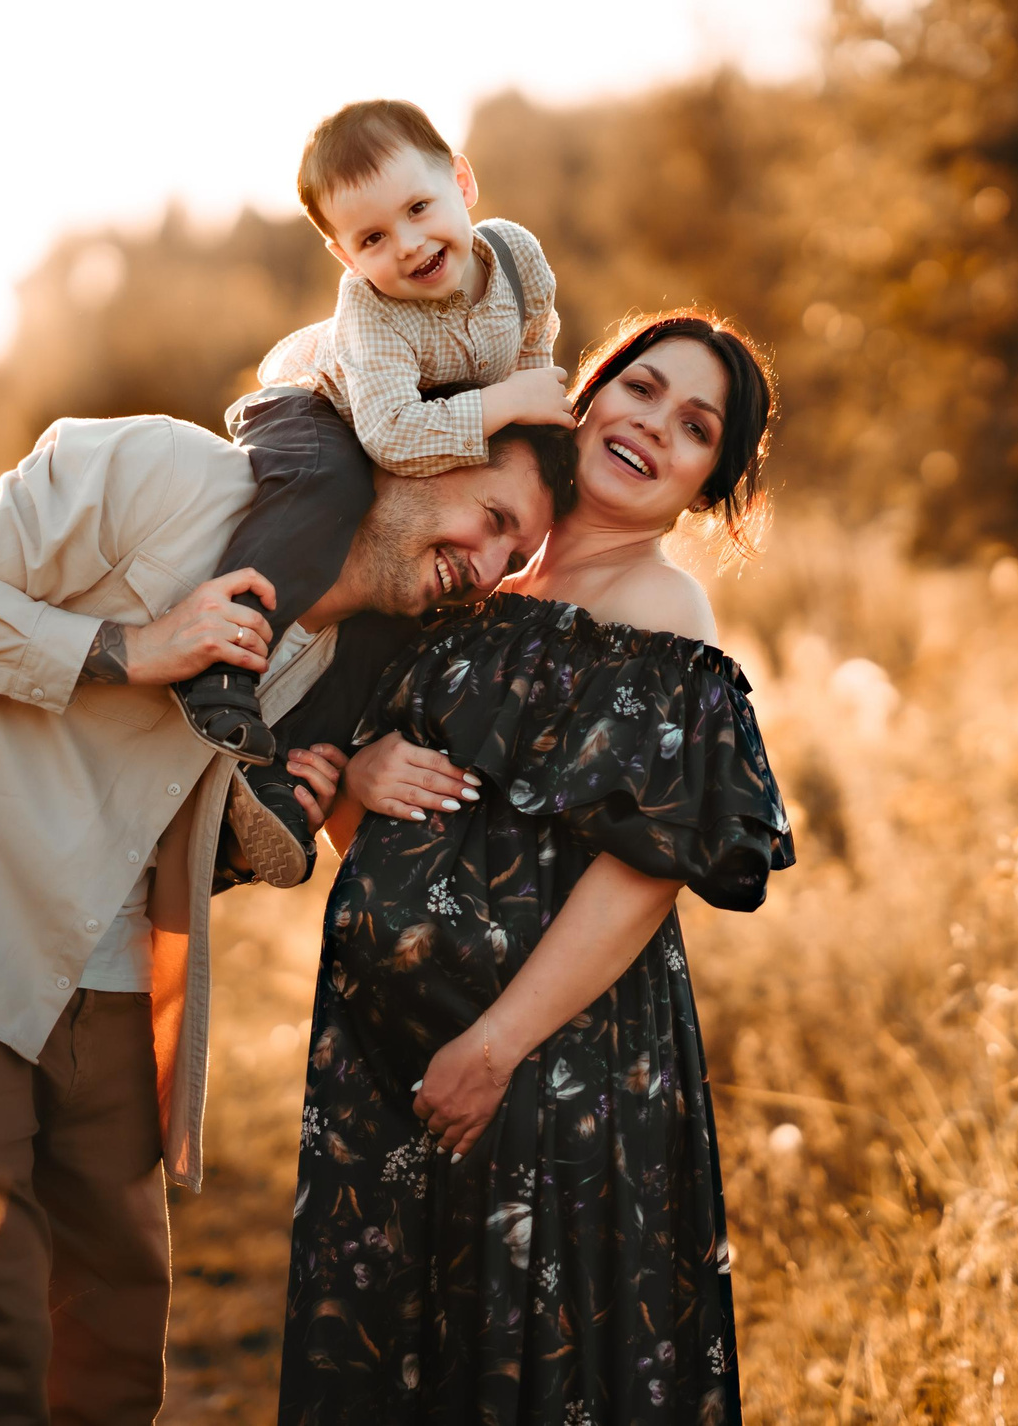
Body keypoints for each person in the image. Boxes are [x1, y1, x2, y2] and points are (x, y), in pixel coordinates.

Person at [0, 409, 572, 1426]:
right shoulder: (158, 471)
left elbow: (187, 821)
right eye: (493, 516)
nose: (492, 562)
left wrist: (281, 812)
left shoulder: (357, 667)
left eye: (518, 552)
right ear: (422, 456)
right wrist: (128, 646)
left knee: (109, 1361)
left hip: (111, 975)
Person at [280, 313, 792, 1425]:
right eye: (641, 390)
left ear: (708, 483)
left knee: (527, 1366)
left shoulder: (661, 614)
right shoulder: (477, 574)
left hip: (549, 1069)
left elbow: (643, 871)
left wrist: (495, 1044)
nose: (653, 427)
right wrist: (362, 772)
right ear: (587, 395)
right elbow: (384, 827)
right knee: (404, 1356)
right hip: (388, 1061)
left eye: (693, 427)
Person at [172, 100, 573, 811]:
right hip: (317, 409)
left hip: (421, 424)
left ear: (463, 180)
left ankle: (288, 769)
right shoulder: (371, 307)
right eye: (374, 237)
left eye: (420, 206)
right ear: (345, 255)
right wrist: (504, 403)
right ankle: (223, 656)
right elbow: (390, 434)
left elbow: (533, 347)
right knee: (328, 487)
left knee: (386, 615)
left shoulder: (515, 256)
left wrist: (532, 417)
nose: (410, 244)